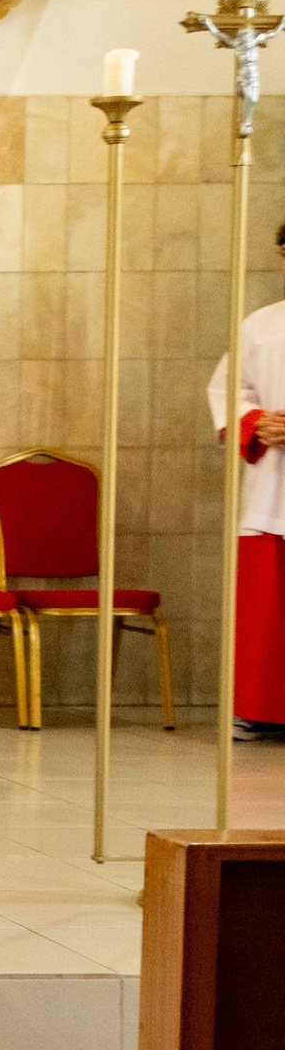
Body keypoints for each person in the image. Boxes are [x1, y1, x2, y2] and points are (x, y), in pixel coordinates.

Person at [211, 220, 285, 742]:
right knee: (266, 607)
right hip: (274, 486)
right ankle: (261, 709)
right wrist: (255, 422)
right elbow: (227, 390)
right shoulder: (261, 325)